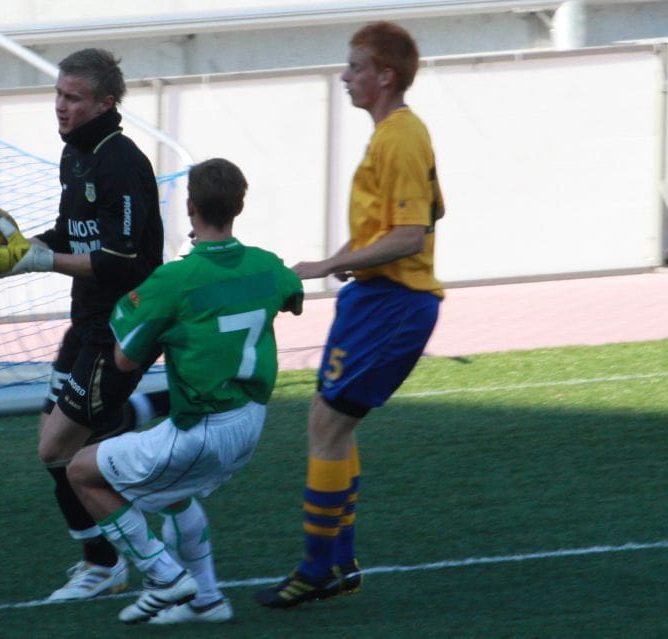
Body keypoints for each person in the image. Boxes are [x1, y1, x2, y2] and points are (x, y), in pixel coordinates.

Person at [0, 48, 171, 600]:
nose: (61, 106)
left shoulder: (120, 162)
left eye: (74, 97)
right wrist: (8, 251)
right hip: (86, 323)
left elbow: (121, 260)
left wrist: (39, 260)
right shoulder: (75, 156)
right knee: (63, 440)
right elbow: (70, 233)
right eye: (58, 94)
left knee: (56, 450)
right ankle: (106, 551)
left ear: (106, 102)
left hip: (121, 326)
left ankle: (114, 559)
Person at [255, 21, 445, 609]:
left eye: (356, 67)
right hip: (373, 299)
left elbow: (411, 234)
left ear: (385, 76)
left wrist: (328, 263)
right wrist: (349, 258)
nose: (345, 76)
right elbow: (430, 212)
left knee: (328, 425)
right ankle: (338, 562)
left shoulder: (400, 137)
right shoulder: (396, 134)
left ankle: (320, 568)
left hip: (394, 303)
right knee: (328, 420)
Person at [66, 157, 304, 625]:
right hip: (250, 421)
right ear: (238, 206)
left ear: (190, 206)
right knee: (172, 496)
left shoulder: (174, 280)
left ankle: (164, 575)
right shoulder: (267, 265)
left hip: (202, 429)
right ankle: (208, 600)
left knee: (82, 472)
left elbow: (124, 359)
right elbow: (292, 294)